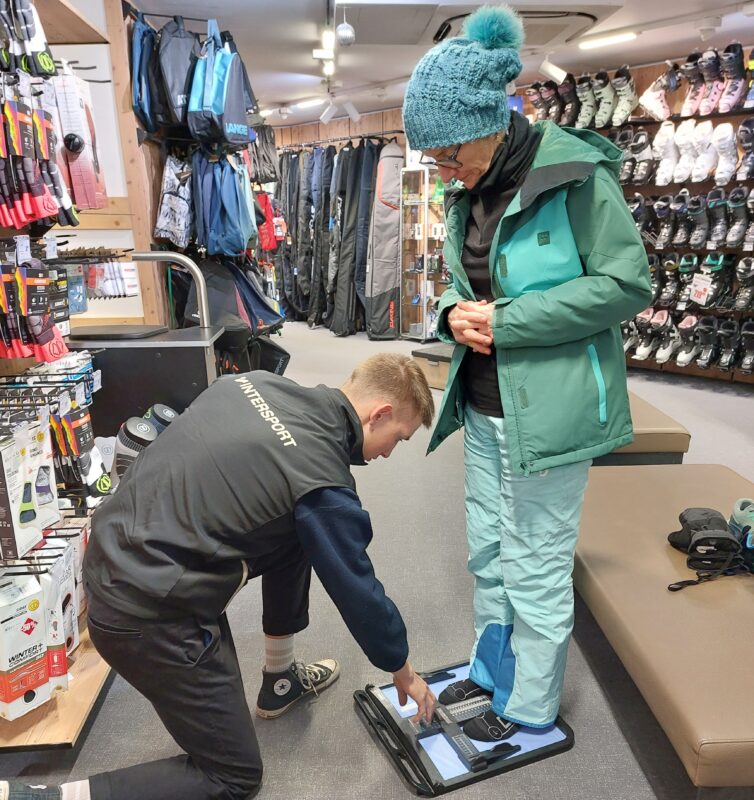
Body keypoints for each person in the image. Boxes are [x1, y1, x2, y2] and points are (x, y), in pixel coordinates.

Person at [3, 354, 437, 800]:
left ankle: (279, 680)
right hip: (146, 612)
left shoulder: (254, 382)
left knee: (301, 530)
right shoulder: (324, 483)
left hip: (111, 554)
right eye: (396, 439)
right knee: (233, 777)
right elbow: (359, 591)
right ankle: (43, 797)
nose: (387, 453)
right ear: (378, 414)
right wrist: (401, 668)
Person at [402, 5, 651, 742]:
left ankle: (532, 705)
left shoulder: (577, 173)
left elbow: (626, 284)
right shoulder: (465, 188)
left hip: (550, 408)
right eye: (435, 160)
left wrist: (509, 322)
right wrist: (452, 311)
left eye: (449, 155)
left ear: (491, 121)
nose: (444, 172)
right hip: (481, 400)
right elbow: (461, 282)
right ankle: (492, 668)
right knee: (487, 544)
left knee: (537, 558)